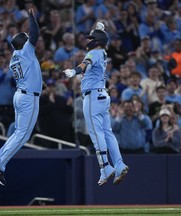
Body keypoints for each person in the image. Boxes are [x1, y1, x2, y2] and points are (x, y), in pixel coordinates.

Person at [63, 22, 128, 186]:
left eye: (91, 38)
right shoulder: (102, 53)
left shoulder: (94, 53)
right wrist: (101, 29)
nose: (88, 41)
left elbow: (85, 65)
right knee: (108, 133)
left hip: (92, 97)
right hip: (102, 96)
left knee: (96, 133)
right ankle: (119, 164)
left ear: (97, 41)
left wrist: (74, 71)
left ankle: (106, 167)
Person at [0, 9, 42, 186]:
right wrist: (31, 17)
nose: (30, 39)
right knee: (21, 135)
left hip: (22, 94)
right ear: (23, 43)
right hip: (28, 98)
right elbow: (36, 33)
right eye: (26, 39)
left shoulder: (16, 56)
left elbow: (29, 73)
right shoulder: (25, 51)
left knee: (20, 134)